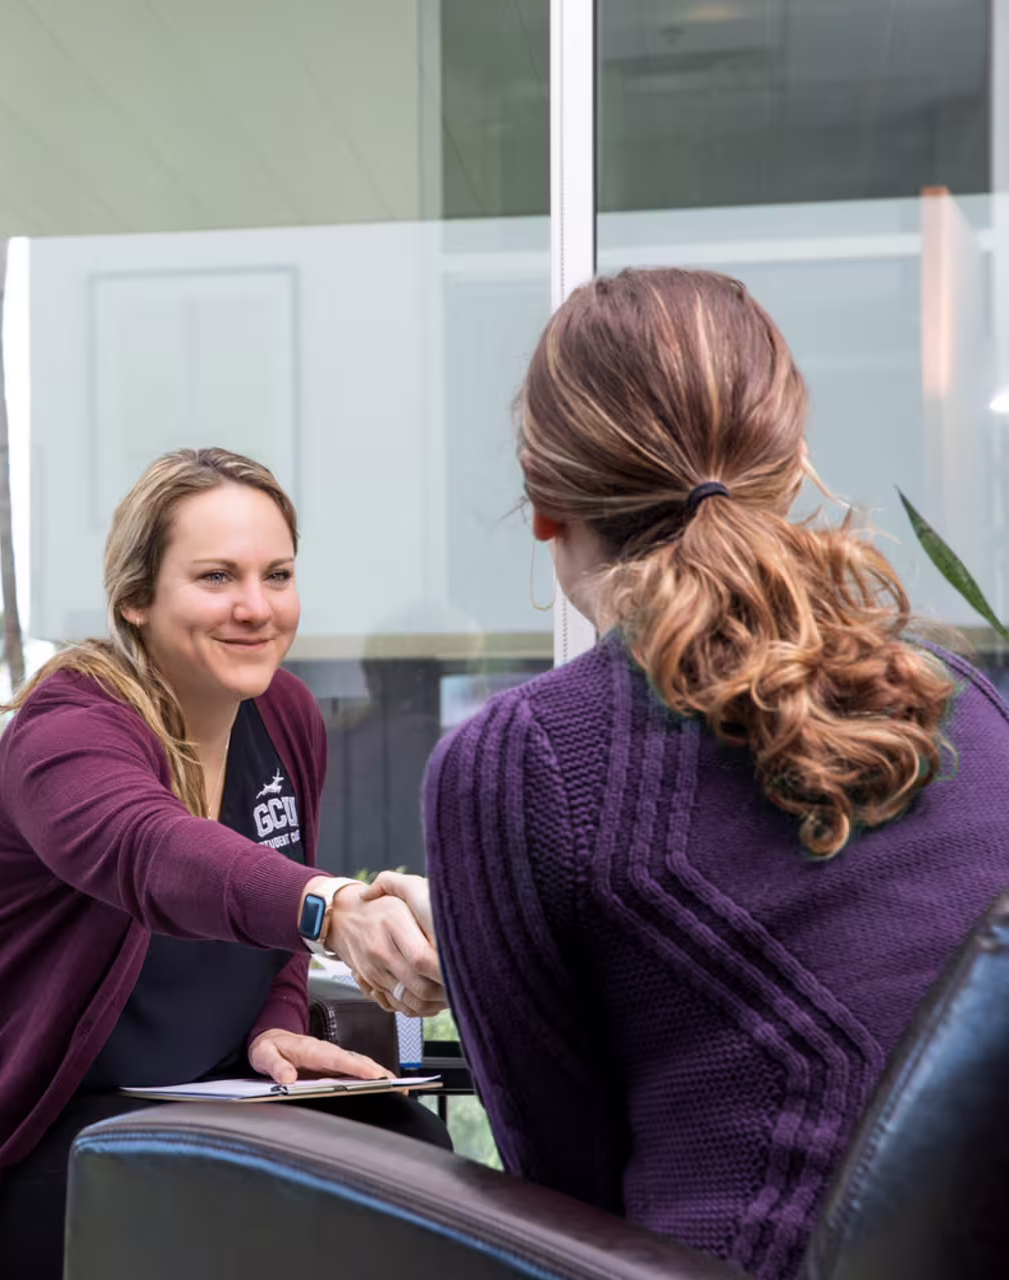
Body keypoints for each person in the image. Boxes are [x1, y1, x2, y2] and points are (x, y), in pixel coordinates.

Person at [412, 268, 1009, 1280]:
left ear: (544, 498)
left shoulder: (523, 760)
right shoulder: (960, 698)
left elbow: (563, 1202)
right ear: (790, 462)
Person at [0, 448, 450, 1280]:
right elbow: (157, 851)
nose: (256, 608)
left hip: (194, 1108)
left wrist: (276, 1022)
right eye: (216, 577)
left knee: (415, 1153)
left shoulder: (284, 714)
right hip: (18, 1144)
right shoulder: (65, 727)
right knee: (251, 1225)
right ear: (136, 598)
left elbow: (271, 928)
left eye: (277, 574)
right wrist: (334, 906)